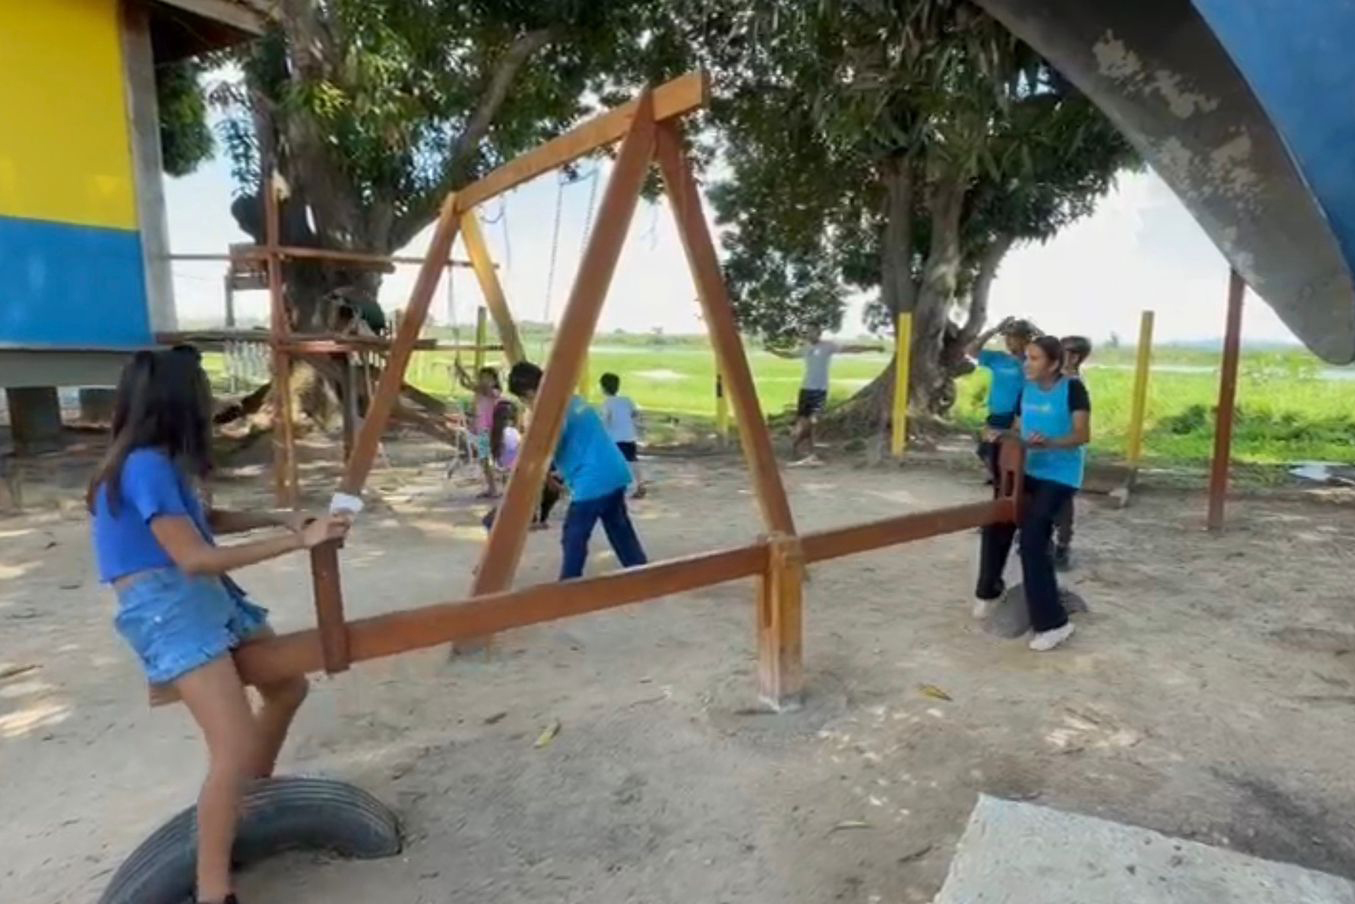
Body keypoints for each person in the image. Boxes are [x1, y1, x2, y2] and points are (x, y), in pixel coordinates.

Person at [88, 346, 352, 904]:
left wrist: (281, 516)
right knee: (228, 749)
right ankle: (214, 892)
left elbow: (203, 522)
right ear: (178, 402)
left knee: (287, 686)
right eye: (204, 393)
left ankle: (243, 801)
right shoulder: (146, 466)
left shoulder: (155, 459)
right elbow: (194, 556)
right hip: (170, 605)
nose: (212, 403)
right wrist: (295, 541)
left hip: (197, 596)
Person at [973, 334, 1090, 652]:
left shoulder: (1073, 389)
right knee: (996, 523)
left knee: (1033, 539)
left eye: (1035, 358)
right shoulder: (1025, 389)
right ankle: (989, 590)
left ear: (1053, 364)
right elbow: (1020, 428)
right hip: (1029, 469)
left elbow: (1082, 434)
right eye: (1027, 357)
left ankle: (1054, 624)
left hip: (1060, 475)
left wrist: (1050, 443)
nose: (1027, 363)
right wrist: (1001, 434)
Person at [507, 361, 648, 579]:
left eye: (524, 399)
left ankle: (569, 582)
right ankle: (640, 571)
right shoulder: (573, 400)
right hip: (613, 471)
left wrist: (529, 459)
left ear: (530, 392)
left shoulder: (551, 411)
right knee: (619, 529)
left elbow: (548, 446)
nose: (526, 404)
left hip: (591, 480)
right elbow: (578, 442)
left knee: (574, 534)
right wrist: (554, 475)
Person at [769, 327, 881, 463]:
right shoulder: (805, 347)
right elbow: (789, 355)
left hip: (820, 389)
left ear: (819, 333)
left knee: (812, 421)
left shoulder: (828, 346)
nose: (810, 334)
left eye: (813, 331)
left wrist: (872, 348)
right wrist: (773, 351)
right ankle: (803, 449)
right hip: (806, 388)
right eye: (808, 332)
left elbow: (850, 349)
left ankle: (800, 448)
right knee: (805, 420)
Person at [968, 317, 1040, 489]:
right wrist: (993, 330)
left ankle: (1013, 484)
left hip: (1020, 415)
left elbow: (1056, 355)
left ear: (1026, 339)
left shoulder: (1035, 362)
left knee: (1016, 451)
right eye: (1006, 337)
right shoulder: (998, 359)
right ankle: (1000, 480)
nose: (1008, 341)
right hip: (997, 413)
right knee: (987, 450)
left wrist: (1037, 332)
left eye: (1013, 337)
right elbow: (971, 350)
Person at [480, 399, 561, 532]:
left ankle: (527, 518)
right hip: (520, 470)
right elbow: (524, 453)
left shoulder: (492, 433)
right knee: (549, 481)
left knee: (516, 499)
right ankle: (532, 519)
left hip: (509, 470)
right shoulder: (511, 433)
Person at [1054, 335, 1093, 570]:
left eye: (1062, 350)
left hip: (1064, 450)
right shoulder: (1055, 378)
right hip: (1046, 448)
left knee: (1062, 502)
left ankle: (1063, 545)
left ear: (1074, 356)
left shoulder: (1075, 384)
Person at [455, 362, 502, 498]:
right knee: (483, 459)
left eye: (487, 378)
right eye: (482, 377)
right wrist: (461, 374)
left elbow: (474, 385)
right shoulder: (481, 391)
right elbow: (467, 384)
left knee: (486, 459)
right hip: (480, 429)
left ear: (494, 380)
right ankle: (491, 487)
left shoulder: (493, 392)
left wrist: (463, 372)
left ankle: (493, 488)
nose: (483, 380)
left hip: (487, 429)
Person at [599, 372, 648, 498]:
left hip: (614, 439)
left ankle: (612, 487)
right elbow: (635, 414)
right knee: (632, 460)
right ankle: (640, 484)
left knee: (612, 462)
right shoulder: (626, 400)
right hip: (629, 436)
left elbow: (605, 420)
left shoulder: (607, 403)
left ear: (603, 388)